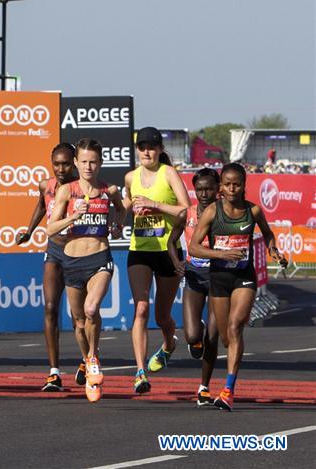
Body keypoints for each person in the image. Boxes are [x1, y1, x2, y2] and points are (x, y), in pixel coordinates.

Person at [189, 163, 286, 411]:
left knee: (235, 327)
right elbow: (194, 247)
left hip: (244, 277)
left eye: (237, 184)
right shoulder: (212, 212)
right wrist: (220, 254)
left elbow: (268, 234)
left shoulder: (253, 210)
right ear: (221, 186)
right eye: (228, 184)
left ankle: (228, 390)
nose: (232, 189)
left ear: (244, 185)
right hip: (219, 277)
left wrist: (273, 250)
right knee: (224, 338)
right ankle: (222, 383)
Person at [46, 138, 125, 403]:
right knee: (79, 322)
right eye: (84, 161)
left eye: (93, 161)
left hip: (100, 257)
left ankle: (92, 358)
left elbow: (122, 210)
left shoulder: (108, 190)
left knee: (92, 310)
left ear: (100, 163)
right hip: (71, 260)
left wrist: (117, 225)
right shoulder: (67, 191)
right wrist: (73, 216)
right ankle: (88, 362)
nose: (88, 166)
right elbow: (50, 229)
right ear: (77, 163)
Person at [123, 127, 191, 394]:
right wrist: (118, 221)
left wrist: (156, 205)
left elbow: (186, 210)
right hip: (140, 250)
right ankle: (140, 372)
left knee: (163, 316)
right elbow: (128, 202)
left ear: (160, 149)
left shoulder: (168, 174)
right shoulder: (131, 176)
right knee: (141, 309)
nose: (146, 152)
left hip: (168, 250)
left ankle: (168, 344)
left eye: (151, 147)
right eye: (142, 147)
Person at [17, 143, 78, 391]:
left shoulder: (82, 187)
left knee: (80, 314)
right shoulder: (46, 185)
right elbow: (42, 206)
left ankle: (88, 361)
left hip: (77, 251)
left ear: (74, 162)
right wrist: (29, 231)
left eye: (65, 163)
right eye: (57, 163)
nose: (61, 168)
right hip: (54, 249)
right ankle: (54, 372)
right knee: (51, 307)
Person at [182, 168, 220, 406]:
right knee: (193, 335)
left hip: (219, 277)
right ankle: (197, 335)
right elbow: (171, 238)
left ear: (218, 189)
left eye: (209, 189)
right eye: (200, 189)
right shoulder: (186, 214)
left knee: (213, 337)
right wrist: (176, 260)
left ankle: (204, 386)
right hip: (194, 275)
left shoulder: (225, 213)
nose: (204, 193)